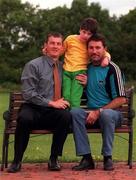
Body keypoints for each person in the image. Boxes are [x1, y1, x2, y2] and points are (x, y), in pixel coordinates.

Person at [7, 32, 72, 173]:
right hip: (33, 108)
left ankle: (54, 159)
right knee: (24, 118)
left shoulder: (65, 68)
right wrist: (51, 103)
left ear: (62, 48)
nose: (55, 46)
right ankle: (17, 161)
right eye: (52, 43)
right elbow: (28, 93)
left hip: (53, 113)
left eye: (58, 44)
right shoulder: (33, 65)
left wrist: (83, 83)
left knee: (66, 116)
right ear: (45, 46)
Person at [70, 33, 126, 171]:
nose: (94, 51)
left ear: (104, 49)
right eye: (91, 48)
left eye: (98, 47)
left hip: (113, 115)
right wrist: (85, 85)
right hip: (90, 114)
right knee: (75, 112)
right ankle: (87, 158)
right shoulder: (85, 68)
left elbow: (121, 99)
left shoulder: (112, 68)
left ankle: (108, 157)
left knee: (106, 114)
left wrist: (99, 111)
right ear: (87, 49)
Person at [62, 17, 111, 108]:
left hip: (79, 73)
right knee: (66, 97)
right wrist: (48, 51)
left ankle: (74, 116)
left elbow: (105, 52)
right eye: (84, 32)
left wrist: (106, 59)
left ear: (92, 35)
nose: (85, 36)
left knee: (74, 98)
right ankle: (66, 117)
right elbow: (61, 50)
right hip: (66, 71)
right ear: (80, 29)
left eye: (89, 34)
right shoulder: (70, 39)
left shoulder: (90, 45)